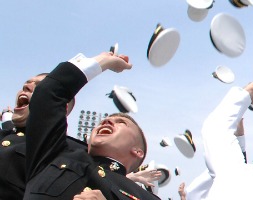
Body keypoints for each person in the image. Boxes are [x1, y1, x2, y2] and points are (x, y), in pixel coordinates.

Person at [24, 51, 158, 199]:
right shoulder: (52, 154)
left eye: (121, 123)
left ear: (137, 151)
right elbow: (48, 93)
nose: (107, 121)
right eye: (103, 121)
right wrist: (103, 61)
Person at [0, 73, 76, 199]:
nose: (26, 86)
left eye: (40, 86)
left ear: (61, 108)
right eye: (27, 82)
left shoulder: (71, 153)